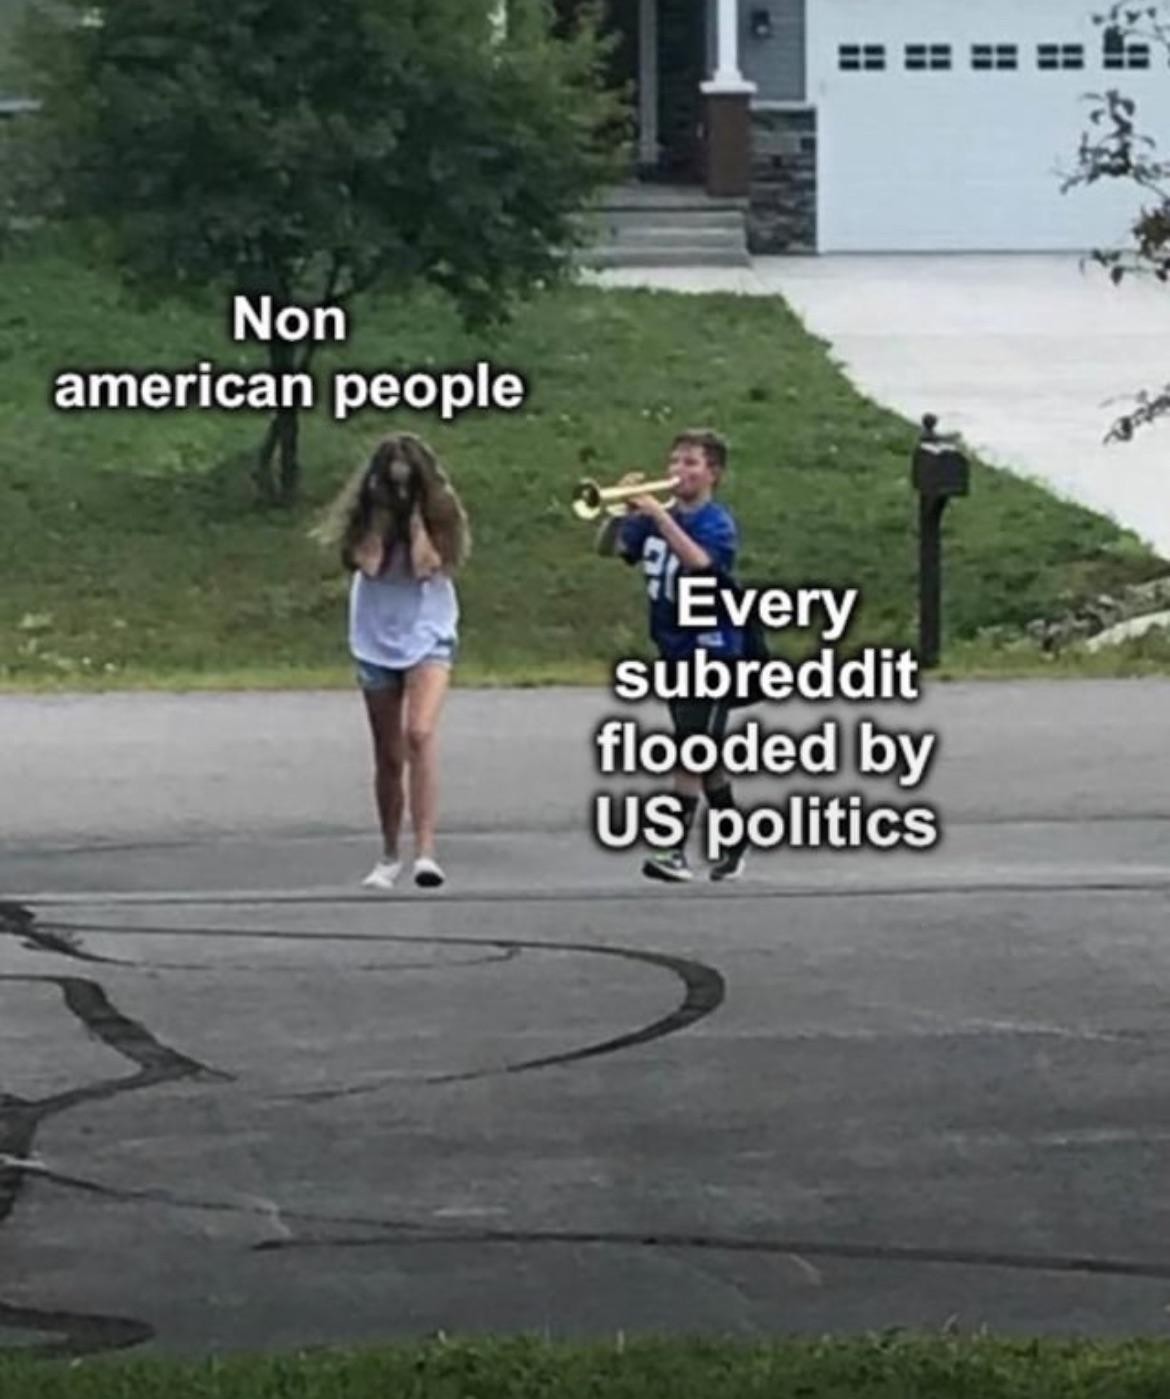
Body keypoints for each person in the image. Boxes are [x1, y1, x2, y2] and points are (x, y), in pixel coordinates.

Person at [313, 432, 471, 890]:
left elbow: (424, 567)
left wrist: (418, 517)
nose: (400, 491)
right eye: (393, 482)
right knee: (388, 754)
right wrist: (381, 515)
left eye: (408, 482)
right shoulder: (366, 516)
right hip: (374, 636)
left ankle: (425, 852)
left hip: (428, 632)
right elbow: (369, 564)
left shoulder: (439, 515)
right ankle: (388, 853)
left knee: (419, 734)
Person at [597, 428, 750, 883]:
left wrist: (659, 517)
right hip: (674, 649)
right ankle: (734, 840)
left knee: (690, 748)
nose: (678, 471)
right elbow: (609, 549)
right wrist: (619, 513)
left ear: (713, 473)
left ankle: (671, 849)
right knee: (706, 757)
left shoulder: (716, 522)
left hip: (713, 649)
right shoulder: (653, 520)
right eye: (675, 461)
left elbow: (701, 564)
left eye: (690, 463)